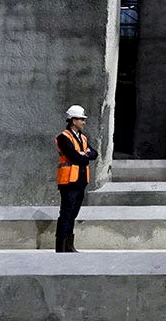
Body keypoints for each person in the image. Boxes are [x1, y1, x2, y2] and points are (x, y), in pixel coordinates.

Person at [55, 104, 99, 253]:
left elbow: (94, 154)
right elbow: (73, 156)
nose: (83, 122)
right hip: (68, 181)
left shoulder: (83, 138)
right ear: (73, 120)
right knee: (66, 214)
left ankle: (69, 245)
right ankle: (61, 247)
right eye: (81, 119)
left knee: (73, 214)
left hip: (80, 181)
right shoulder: (63, 137)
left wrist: (84, 155)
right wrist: (84, 155)